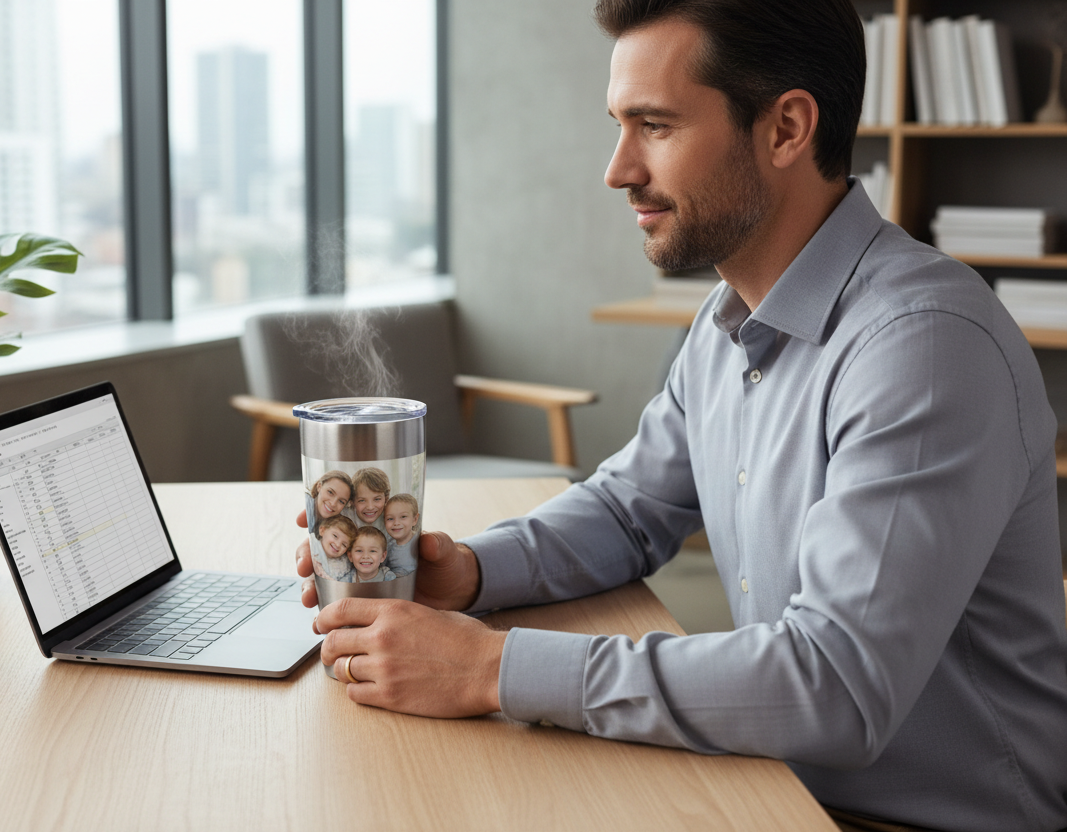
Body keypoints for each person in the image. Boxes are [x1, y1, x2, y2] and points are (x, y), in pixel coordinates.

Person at [296, 1, 1067, 830]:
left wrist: (492, 667)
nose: (618, 169)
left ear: (786, 129)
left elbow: (837, 686)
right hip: (775, 783)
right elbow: (631, 511)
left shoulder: (922, 348)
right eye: (620, 125)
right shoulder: (728, 316)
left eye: (654, 126)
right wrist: (472, 573)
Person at [312, 514, 358, 583]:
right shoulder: (313, 547)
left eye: (344, 545)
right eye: (335, 536)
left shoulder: (343, 564)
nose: (338, 544)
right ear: (322, 530)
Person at [383, 493, 420, 578]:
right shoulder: (388, 546)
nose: (396, 523)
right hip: (397, 585)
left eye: (403, 517)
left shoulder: (419, 541)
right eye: (390, 519)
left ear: (414, 519)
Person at [344, 468, 390, 532]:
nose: (370, 507)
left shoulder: (391, 518)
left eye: (377, 499)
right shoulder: (345, 515)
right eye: (362, 500)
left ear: (386, 499)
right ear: (352, 502)